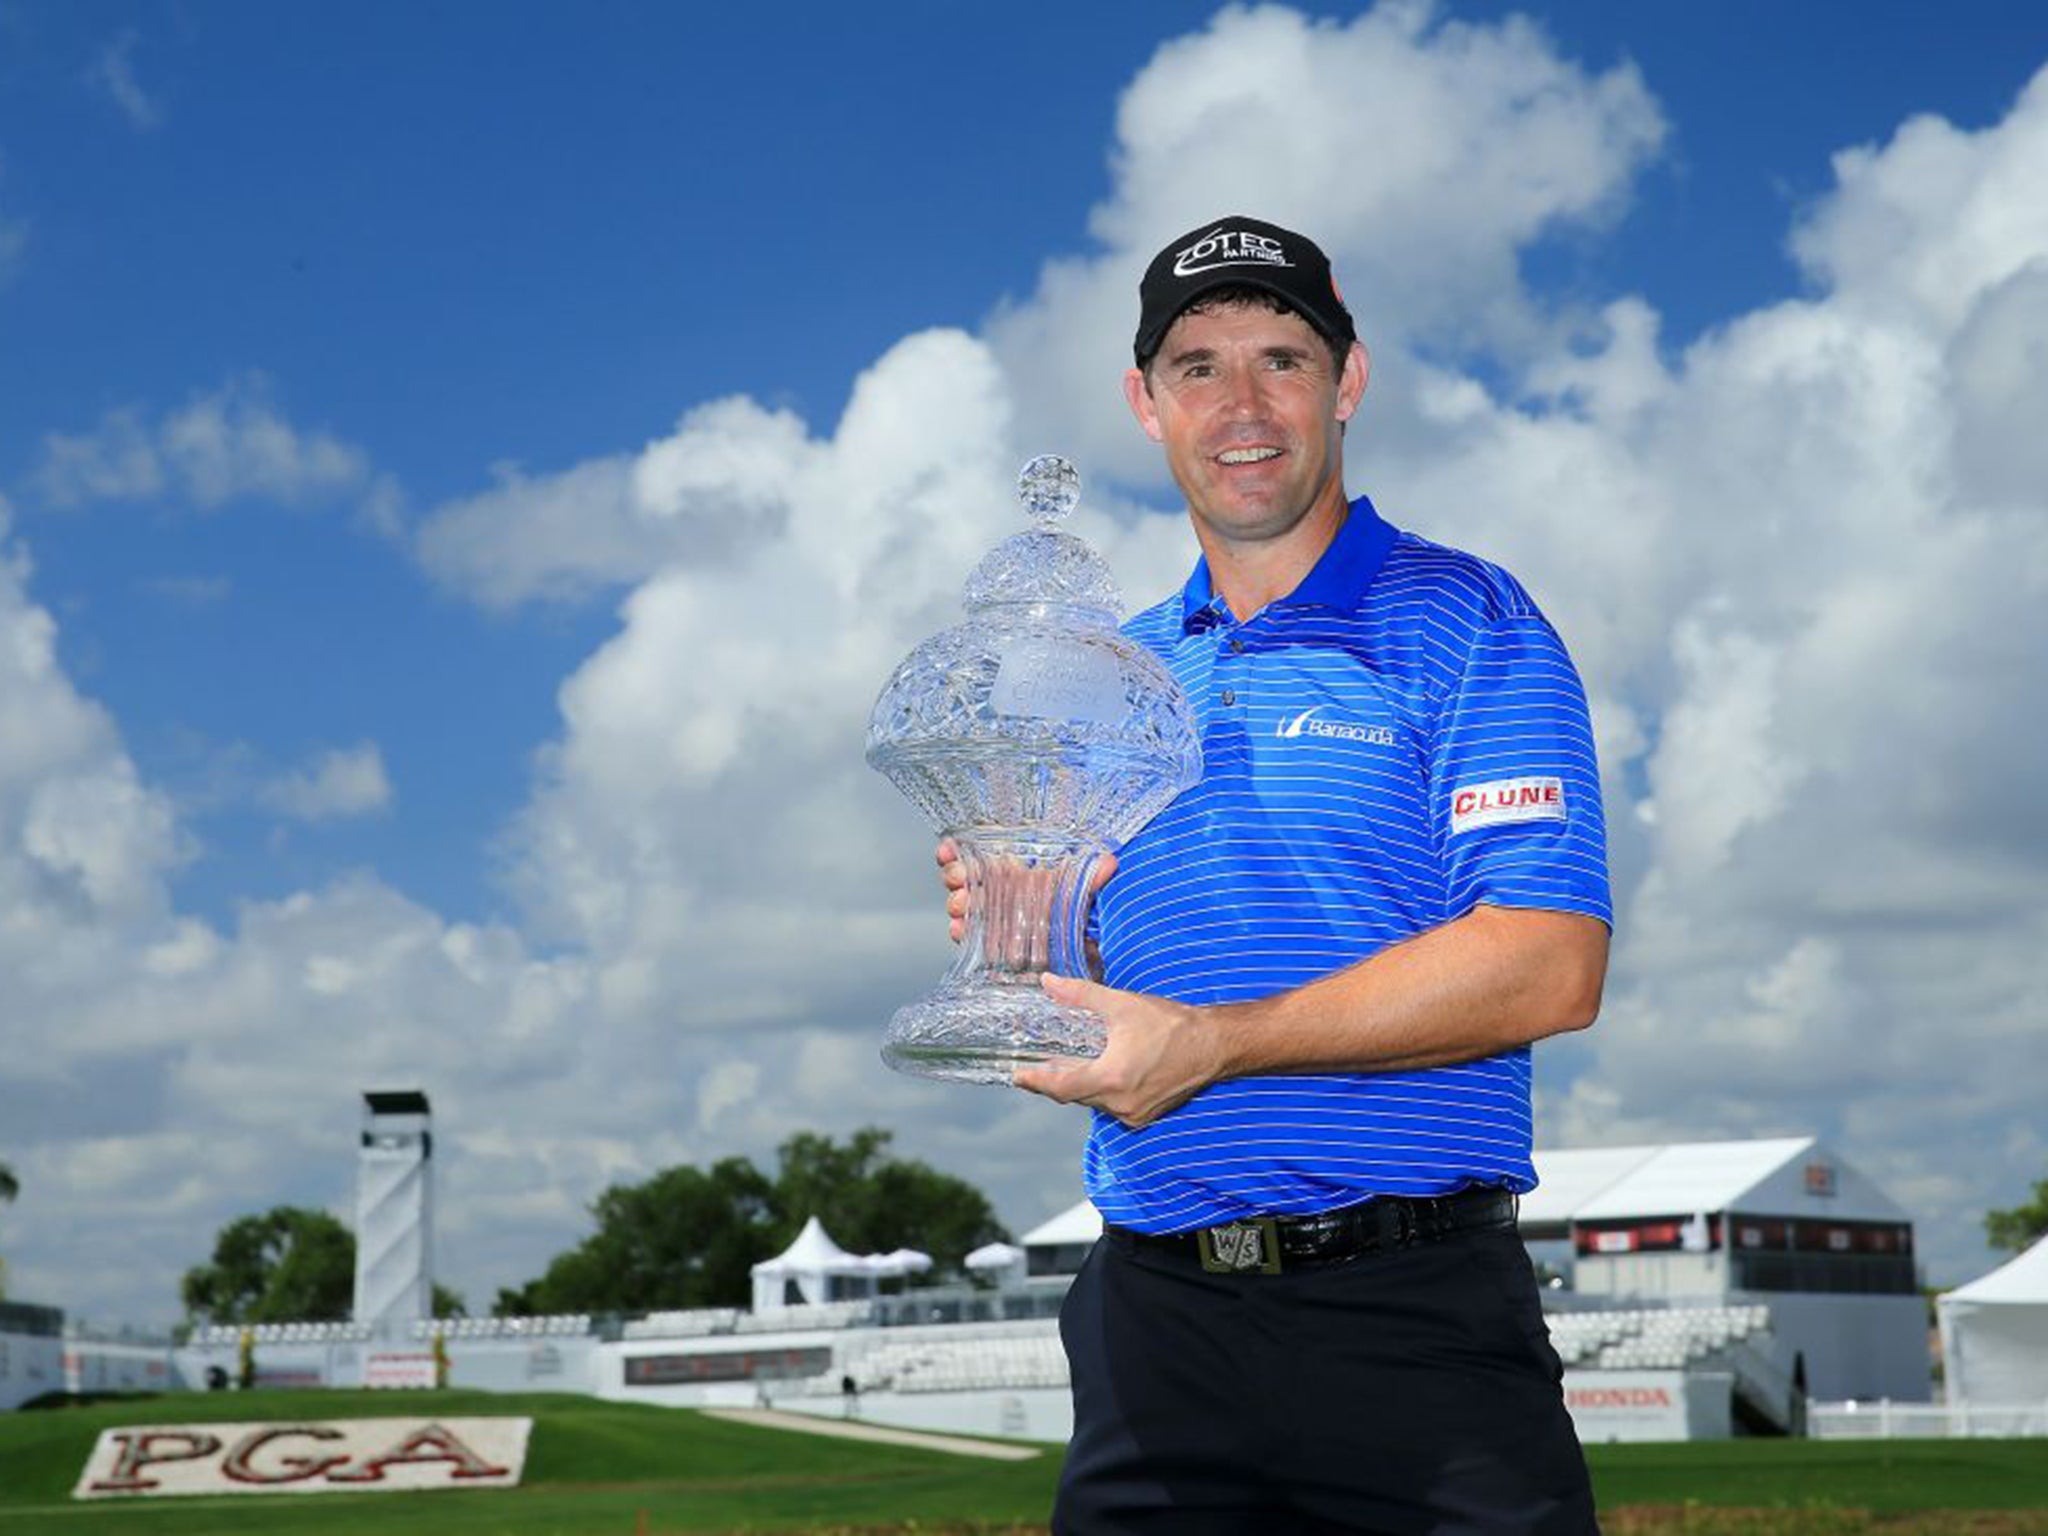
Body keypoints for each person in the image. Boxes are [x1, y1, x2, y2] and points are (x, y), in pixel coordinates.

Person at [938, 215, 1611, 1533]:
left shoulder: (1469, 619)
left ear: (1347, 382)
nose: (1241, 406)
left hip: (1410, 1324)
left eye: (1281, 360)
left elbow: (1548, 957)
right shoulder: (1104, 687)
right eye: (1197, 367)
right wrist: (1019, 934)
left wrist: (1217, 1044)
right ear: (1147, 403)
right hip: (1153, 1329)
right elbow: (1102, 989)